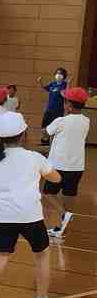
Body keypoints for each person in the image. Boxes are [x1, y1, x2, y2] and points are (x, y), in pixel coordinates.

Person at [0, 112, 63, 298]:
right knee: (42, 254)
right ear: (23, 134)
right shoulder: (34, 158)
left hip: (4, 217)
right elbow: (56, 177)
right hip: (31, 216)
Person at [44, 86, 90, 240]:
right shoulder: (86, 120)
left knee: (48, 193)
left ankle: (65, 215)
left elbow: (47, 131)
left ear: (68, 105)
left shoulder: (61, 120)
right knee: (69, 195)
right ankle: (62, 227)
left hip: (58, 165)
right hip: (77, 166)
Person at [39, 67, 70, 145]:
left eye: (60, 74)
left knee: (56, 127)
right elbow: (45, 88)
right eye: (57, 73)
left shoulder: (65, 84)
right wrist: (40, 82)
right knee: (44, 125)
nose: (58, 75)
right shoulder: (52, 84)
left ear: (64, 76)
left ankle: (53, 142)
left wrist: (68, 85)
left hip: (58, 110)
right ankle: (45, 140)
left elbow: (66, 94)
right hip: (49, 109)